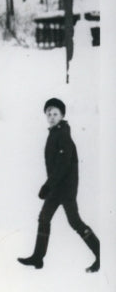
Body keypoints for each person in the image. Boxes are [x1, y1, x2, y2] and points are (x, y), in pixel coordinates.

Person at [17, 98, 100, 273]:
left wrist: (47, 185)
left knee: (75, 222)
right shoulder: (55, 133)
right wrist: (51, 186)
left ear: (62, 115)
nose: (51, 117)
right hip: (57, 187)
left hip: (65, 188)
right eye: (49, 113)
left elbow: (63, 165)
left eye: (55, 114)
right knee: (44, 218)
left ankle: (102, 254)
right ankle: (38, 258)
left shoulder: (63, 134)